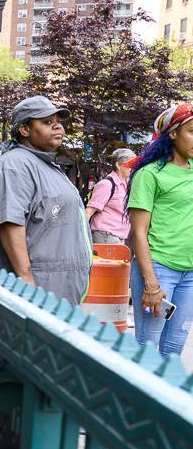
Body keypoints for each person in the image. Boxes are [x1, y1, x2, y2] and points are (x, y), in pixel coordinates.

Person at [0, 95, 91, 305]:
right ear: (25, 130)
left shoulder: (43, 165)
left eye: (58, 122)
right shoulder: (13, 167)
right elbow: (10, 224)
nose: (58, 127)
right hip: (31, 297)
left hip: (55, 295)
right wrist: (27, 283)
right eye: (47, 122)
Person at [125, 103, 193, 356]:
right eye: (192, 131)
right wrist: (151, 283)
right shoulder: (149, 174)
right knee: (148, 349)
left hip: (190, 274)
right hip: (159, 269)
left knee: (174, 349)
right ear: (173, 134)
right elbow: (138, 233)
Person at [84, 147, 134, 245]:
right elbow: (89, 211)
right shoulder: (107, 184)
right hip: (105, 235)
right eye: (131, 164)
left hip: (119, 236)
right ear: (118, 165)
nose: (134, 167)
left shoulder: (126, 184)